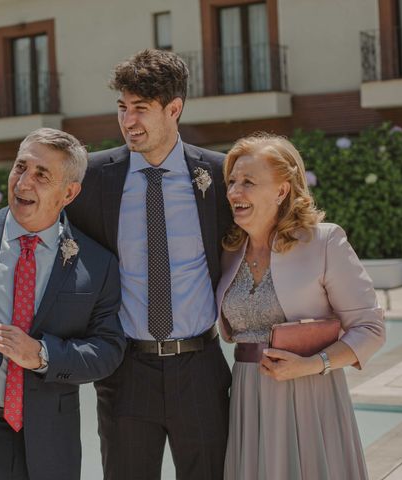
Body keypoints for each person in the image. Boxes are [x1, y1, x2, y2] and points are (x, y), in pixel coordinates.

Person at [66, 49, 233, 480]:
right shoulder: (93, 179)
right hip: (125, 370)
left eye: (141, 109)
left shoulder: (218, 175)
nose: (128, 121)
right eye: (122, 108)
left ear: (173, 109)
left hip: (201, 367)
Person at [0, 128, 126, 480]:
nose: (24, 182)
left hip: (49, 441)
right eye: (20, 167)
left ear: (69, 192)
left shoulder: (98, 264)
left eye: (42, 175)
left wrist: (42, 354)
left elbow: (108, 348)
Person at [216, 133, 385, 480]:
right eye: (232, 181)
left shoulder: (325, 241)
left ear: (281, 190)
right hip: (249, 395)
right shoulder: (228, 251)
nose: (235, 191)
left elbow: (370, 328)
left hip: (312, 394)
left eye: (248, 181)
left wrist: (314, 364)